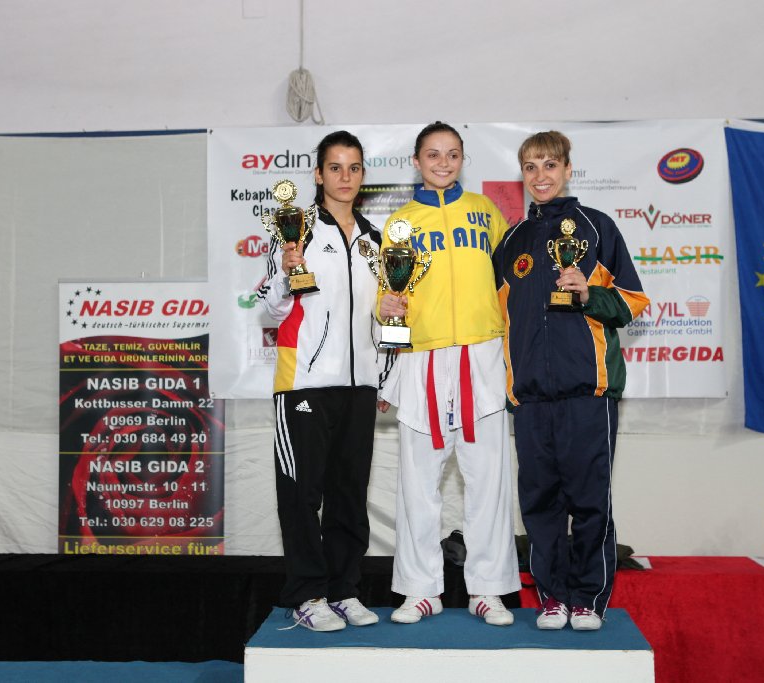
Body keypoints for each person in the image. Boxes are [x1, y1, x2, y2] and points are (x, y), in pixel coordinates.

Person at [491, 131, 649, 631]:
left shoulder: (598, 228)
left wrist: (589, 296)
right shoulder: (511, 243)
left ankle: (587, 599)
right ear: (522, 174)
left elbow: (633, 302)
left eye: (550, 165)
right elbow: (496, 320)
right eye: (531, 167)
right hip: (531, 398)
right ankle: (552, 598)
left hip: (588, 391)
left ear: (567, 169)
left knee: (588, 500)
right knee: (539, 504)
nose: (541, 176)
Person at [378, 121, 519, 626]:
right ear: (416, 161)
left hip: (481, 356)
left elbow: (509, 285)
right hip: (423, 358)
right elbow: (388, 300)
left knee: (489, 480)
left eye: (453, 154)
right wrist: (387, 315)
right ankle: (420, 590)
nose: (443, 162)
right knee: (418, 483)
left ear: (462, 159)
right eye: (433, 154)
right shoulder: (400, 224)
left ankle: (488, 590)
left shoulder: (486, 213)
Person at [259, 130, 393, 632]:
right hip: (305, 383)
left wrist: (384, 377)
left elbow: (384, 318)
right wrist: (285, 273)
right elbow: (270, 309)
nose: (345, 176)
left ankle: (344, 590)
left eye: (353, 168)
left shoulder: (375, 240)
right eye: (335, 167)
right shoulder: (295, 231)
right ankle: (307, 594)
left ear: (363, 175)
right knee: (301, 495)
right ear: (318, 174)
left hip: (360, 386)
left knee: (349, 494)